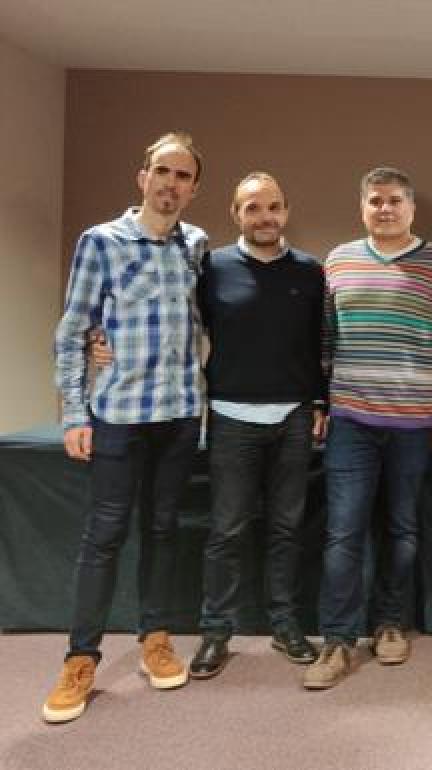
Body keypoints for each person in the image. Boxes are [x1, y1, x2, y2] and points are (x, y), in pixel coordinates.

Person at [44, 132, 208, 723]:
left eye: (183, 175)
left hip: (179, 414)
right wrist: (73, 412)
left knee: (162, 531)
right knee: (105, 535)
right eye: (162, 171)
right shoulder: (101, 242)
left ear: (194, 189)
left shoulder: (197, 246)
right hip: (117, 416)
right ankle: (80, 658)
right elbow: (73, 331)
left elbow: (202, 320)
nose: (171, 183)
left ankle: (155, 639)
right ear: (143, 177)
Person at [303, 167, 432, 689]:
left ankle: (390, 623)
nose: (385, 209)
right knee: (343, 532)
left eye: (395, 200)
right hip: (351, 421)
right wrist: (320, 400)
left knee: (402, 530)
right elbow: (324, 340)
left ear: (411, 209)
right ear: (363, 208)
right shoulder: (338, 260)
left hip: (415, 425)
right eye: (375, 200)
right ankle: (337, 639)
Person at [187, 173, 326, 677]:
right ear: (235, 213)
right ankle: (215, 632)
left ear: (285, 211)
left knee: (287, 529)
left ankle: (285, 625)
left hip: (293, 418)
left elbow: (320, 343)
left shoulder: (311, 272)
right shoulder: (212, 268)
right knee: (226, 530)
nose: (264, 216)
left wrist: (320, 401)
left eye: (272, 207)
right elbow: (182, 326)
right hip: (230, 417)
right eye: (252, 208)